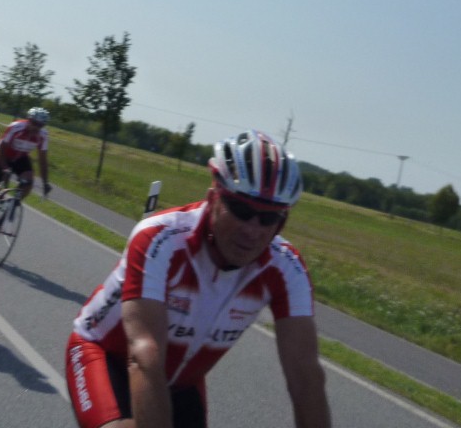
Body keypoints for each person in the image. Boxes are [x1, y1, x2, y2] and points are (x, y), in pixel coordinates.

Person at [64, 130, 331, 428]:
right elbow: (144, 354)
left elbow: (306, 377)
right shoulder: (161, 239)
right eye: (241, 210)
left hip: (181, 382)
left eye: (268, 218)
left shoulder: (286, 267)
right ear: (213, 198)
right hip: (104, 355)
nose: (252, 230)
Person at [0, 106, 51, 246]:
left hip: (20, 158)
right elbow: (2, 149)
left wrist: (46, 183)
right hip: (3, 156)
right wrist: (5, 168)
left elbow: (43, 160)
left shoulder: (43, 135)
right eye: (34, 123)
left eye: (40, 125)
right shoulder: (15, 127)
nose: (36, 127)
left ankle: (12, 205)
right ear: (28, 120)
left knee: (29, 182)